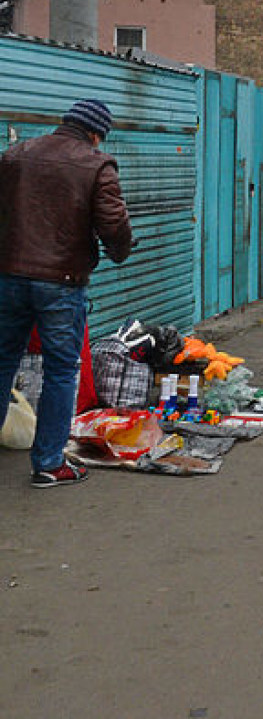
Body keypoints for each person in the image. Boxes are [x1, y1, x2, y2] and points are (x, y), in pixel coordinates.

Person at [0, 99, 134, 486]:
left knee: (3, 360)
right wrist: (120, 250)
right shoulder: (97, 163)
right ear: (95, 134)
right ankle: (48, 464)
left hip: (8, 276)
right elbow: (112, 220)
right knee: (61, 370)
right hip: (61, 281)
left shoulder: (16, 154)